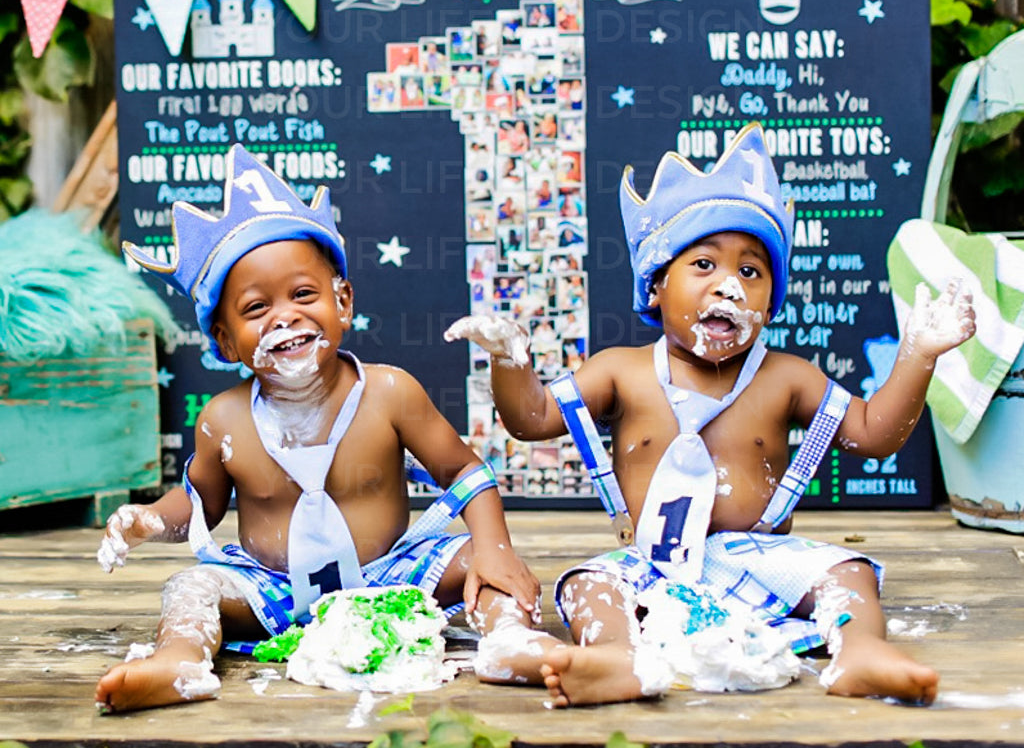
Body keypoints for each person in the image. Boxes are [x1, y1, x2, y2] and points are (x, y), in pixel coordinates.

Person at [446, 122, 976, 708]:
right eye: (704, 265)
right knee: (585, 586)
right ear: (654, 287)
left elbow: (875, 435)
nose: (729, 286)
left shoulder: (787, 377)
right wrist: (509, 362)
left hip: (759, 557)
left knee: (848, 572)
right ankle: (617, 659)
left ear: (772, 300)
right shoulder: (621, 370)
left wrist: (918, 354)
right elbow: (533, 419)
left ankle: (860, 651)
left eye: (750, 271)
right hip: (651, 564)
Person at [95, 145, 553, 713]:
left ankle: (514, 641)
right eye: (256, 308)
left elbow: (462, 470)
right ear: (224, 342)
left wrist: (494, 547)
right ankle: (179, 661)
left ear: (344, 301)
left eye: (304, 295)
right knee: (192, 586)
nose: (284, 316)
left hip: (392, 575)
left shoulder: (388, 392)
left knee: (473, 560)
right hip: (274, 590)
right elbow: (200, 505)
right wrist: (146, 521)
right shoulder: (224, 421)